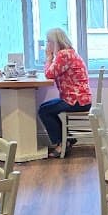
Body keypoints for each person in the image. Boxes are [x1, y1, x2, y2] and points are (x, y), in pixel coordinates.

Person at [38, 27, 92, 159]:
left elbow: (49, 74)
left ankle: (62, 143)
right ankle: (66, 139)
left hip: (76, 100)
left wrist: (48, 57)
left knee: (44, 111)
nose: (47, 45)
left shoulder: (63, 55)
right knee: (44, 108)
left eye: (49, 42)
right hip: (79, 98)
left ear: (55, 42)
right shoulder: (70, 53)